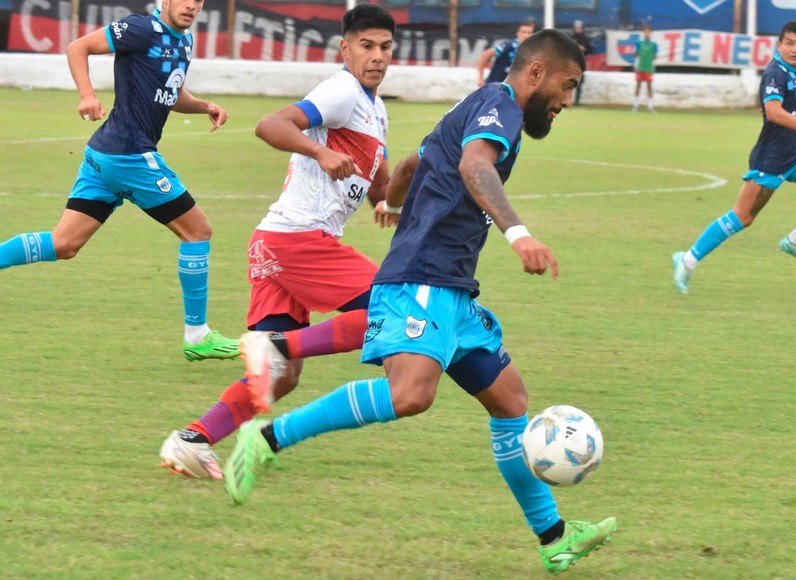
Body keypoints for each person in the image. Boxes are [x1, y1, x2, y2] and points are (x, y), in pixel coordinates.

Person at [224, 29, 618, 575]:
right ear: (535, 74)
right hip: (423, 279)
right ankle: (267, 436)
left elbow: (411, 163)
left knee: (510, 402)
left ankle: (554, 536)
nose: (567, 100)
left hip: (451, 288)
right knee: (410, 395)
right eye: (567, 85)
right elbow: (474, 167)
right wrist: (518, 234)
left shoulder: (475, 105)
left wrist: (391, 200)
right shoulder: (499, 108)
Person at [159, 3, 395, 480]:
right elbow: (271, 124)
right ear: (345, 49)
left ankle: (192, 439)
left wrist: (399, 197)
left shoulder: (374, 109)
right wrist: (319, 150)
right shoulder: (341, 91)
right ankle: (279, 344)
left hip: (275, 241)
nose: (376, 56)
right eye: (366, 46)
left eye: (385, 47)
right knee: (390, 307)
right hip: (297, 240)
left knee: (279, 379)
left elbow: (381, 184)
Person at [0, 0, 238, 362]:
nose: (192, 5)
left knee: (64, 244)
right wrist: (87, 94)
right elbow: (77, 47)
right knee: (198, 231)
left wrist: (204, 105)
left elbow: (169, 94)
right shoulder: (142, 29)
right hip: (129, 155)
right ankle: (197, 335)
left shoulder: (184, 41)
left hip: (104, 154)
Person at [672, 20, 796, 295]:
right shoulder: (776, 73)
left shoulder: (795, 71)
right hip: (771, 161)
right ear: (779, 45)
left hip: (793, 154)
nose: (794, 49)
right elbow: (774, 112)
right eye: (789, 43)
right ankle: (687, 259)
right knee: (742, 217)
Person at [477, 18, 535, 87]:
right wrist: (480, 78)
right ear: (518, 34)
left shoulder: (532, 52)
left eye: (529, 33)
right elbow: (485, 55)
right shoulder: (508, 45)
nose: (526, 36)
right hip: (494, 87)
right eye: (523, 32)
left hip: (512, 90)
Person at [632, 24, 657, 112]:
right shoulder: (639, 43)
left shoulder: (654, 44)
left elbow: (654, 56)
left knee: (649, 86)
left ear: (650, 32)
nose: (647, 33)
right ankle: (635, 106)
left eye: (648, 31)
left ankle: (650, 107)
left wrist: (649, 60)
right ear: (643, 33)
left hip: (649, 68)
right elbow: (635, 54)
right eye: (645, 31)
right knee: (638, 85)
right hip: (640, 68)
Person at [571, 20, 594, 105]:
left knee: (579, 82)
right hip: (571, 62)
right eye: (576, 28)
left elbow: (591, 49)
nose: (578, 30)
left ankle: (577, 101)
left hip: (581, 62)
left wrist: (584, 49)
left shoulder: (586, 39)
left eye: (579, 28)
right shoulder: (571, 38)